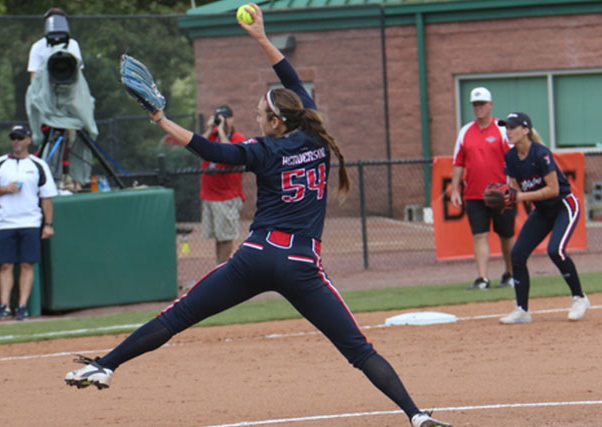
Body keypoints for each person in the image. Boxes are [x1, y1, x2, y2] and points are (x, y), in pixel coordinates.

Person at [64, 5, 452, 427]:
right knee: (359, 351)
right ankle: (415, 416)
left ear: (275, 121)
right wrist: (262, 39)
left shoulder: (262, 150)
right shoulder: (316, 139)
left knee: (177, 316)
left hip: (255, 257)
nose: (255, 116)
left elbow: (210, 150)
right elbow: (291, 81)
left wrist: (161, 118)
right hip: (302, 266)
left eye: (260, 112)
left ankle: (106, 365)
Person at [496, 112, 590, 324]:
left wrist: (519, 196)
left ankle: (579, 297)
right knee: (517, 254)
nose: (508, 132)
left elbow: (553, 190)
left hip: (564, 205)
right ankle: (522, 310)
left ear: (526, 130)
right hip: (543, 211)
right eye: (506, 128)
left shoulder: (541, 153)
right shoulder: (510, 157)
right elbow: (514, 189)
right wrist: (506, 198)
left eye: (513, 127)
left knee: (555, 250)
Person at [0, 124, 58, 321]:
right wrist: (5, 189)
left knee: (27, 264)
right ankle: (4, 306)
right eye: (13, 137)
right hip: (6, 221)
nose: (16, 141)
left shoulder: (38, 165)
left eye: (20, 137)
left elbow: (47, 197)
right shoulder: (0, 163)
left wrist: (48, 225)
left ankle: (22, 306)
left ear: (28, 140)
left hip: (31, 221)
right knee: (5, 265)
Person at [451, 87, 515, 290]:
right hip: (475, 194)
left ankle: (511, 274)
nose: (479, 108)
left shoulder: (503, 128)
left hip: (501, 193)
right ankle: (483, 278)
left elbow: (513, 159)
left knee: (506, 236)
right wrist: (454, 189)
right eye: (475, 104)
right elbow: (458, 162)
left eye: (482, 104)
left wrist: (513, 187)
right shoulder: (465, 131)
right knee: (479, 235)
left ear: (490, 105)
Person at [200, 105, 246, 264]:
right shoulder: (211, 136)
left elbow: (230, 153)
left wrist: (221, 130)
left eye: (224, 118)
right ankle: (217, 269)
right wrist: (210, 129)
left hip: (227, 196)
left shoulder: (238, 137)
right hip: (210, 194)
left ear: (231, 119)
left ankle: (221, 270)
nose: (221, 121)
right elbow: (197, 147)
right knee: (218, 237)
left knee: (226, 237)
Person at [27, 8, 83, 82]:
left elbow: (78, 72)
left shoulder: (73, 44)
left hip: (69, 86)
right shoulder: (37, 47)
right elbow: (34, 75)